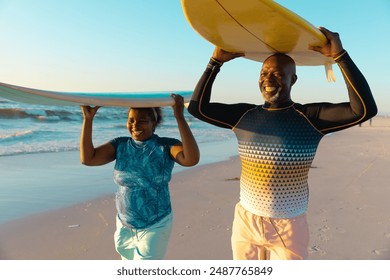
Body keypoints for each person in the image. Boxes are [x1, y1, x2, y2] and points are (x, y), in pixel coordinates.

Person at [188, 27, 377, 260]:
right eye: (264, 73)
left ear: (293, 79)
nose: (268, 79)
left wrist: (340, 57)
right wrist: (215, 62)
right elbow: (197, 108)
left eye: (277, 74)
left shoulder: (310, 118)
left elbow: (364, 109)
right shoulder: (243, 116)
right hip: (246, 221)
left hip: (288, 225)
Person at [80, 94, 200, 260]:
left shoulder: (166, 146)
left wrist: (179, 116)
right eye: (131, 120)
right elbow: (88, 159)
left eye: (142, 120)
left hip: (155, 225)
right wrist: (88, 120)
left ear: (154, 123)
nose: (135, 125)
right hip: (124, 226)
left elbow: (191, 159)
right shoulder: (120, 145)